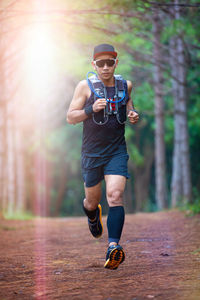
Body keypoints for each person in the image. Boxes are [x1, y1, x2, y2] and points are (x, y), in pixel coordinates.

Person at [67, 44, 139, 270]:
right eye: (101, 63)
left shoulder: (125, 85)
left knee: (115, 195)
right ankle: (92, 214)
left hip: (116, 150)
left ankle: (113, 246)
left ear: (116, 63)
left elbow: (129, 109)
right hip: (92, 153)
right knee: (92, 201)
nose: (106, 67)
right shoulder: (84, 87)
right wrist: (90, 110)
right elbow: (70, 117)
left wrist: (133, 114)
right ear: (94, 65)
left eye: (110, 62)